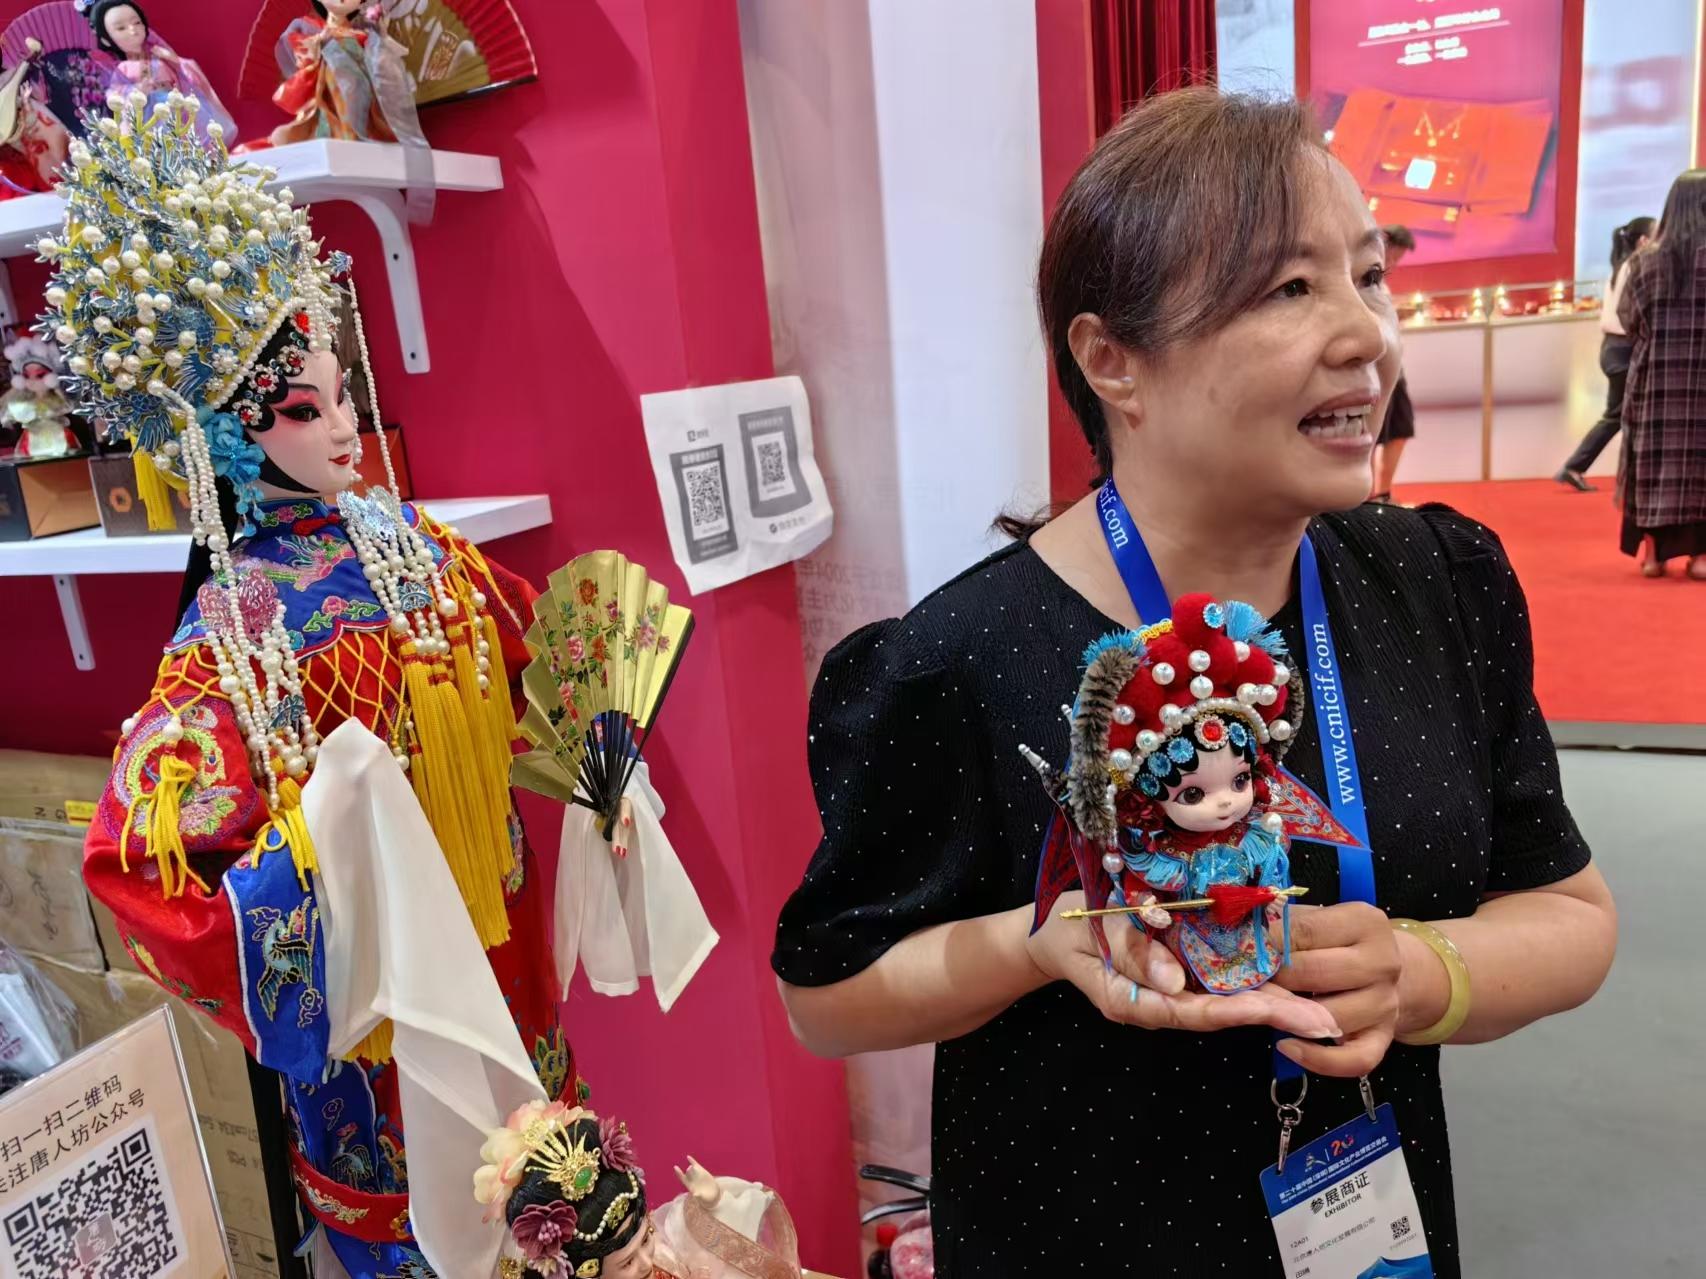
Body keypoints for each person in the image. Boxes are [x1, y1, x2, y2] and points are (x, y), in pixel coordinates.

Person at [772, 90, 1616, 1277]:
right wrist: (1036, 946)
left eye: (1369, 276)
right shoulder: (958, 658)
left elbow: (1570, 916)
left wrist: (1419, 974)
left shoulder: (1435, 584)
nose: (1365, 335)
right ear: (1110, 359)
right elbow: (827, 997)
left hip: (1365, 1226)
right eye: (1287, 289)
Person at [60, 98, 571, 1279]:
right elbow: (140, 862)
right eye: (304, 409)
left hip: (504, 960)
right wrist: (319, 854)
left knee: (553, 1205)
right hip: (376, 1023)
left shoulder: (415, 546)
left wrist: (600, 756)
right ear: (233, 438)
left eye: (343, 396)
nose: (342, 426)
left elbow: (538, 664)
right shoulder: (231, 633)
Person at [1616, 171, 1706, 578]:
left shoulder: (1644, 261)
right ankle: (1701, 556)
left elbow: (1628, 321)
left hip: (1656, 383)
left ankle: (1654, 555)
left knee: (1653, 465)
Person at [1556, 216, 1655, 492]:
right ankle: (1582, 467)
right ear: (1643, 240)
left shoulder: (1623, 266)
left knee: (1620, 415)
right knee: (1626, 415)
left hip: (1615, 349)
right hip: (1623, 349)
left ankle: (1577, 467)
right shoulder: (1636, 266)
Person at [1370, 224, 1414, 501]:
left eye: (1398, 258)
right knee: (1370, 437)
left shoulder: (1379, 282)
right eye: (1394, 255)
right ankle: (1365, 501)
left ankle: (1382, 495)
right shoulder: (1363, 277)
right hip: (1375, 372)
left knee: (1399, 431)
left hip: (1393, 370)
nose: (1394, 263)